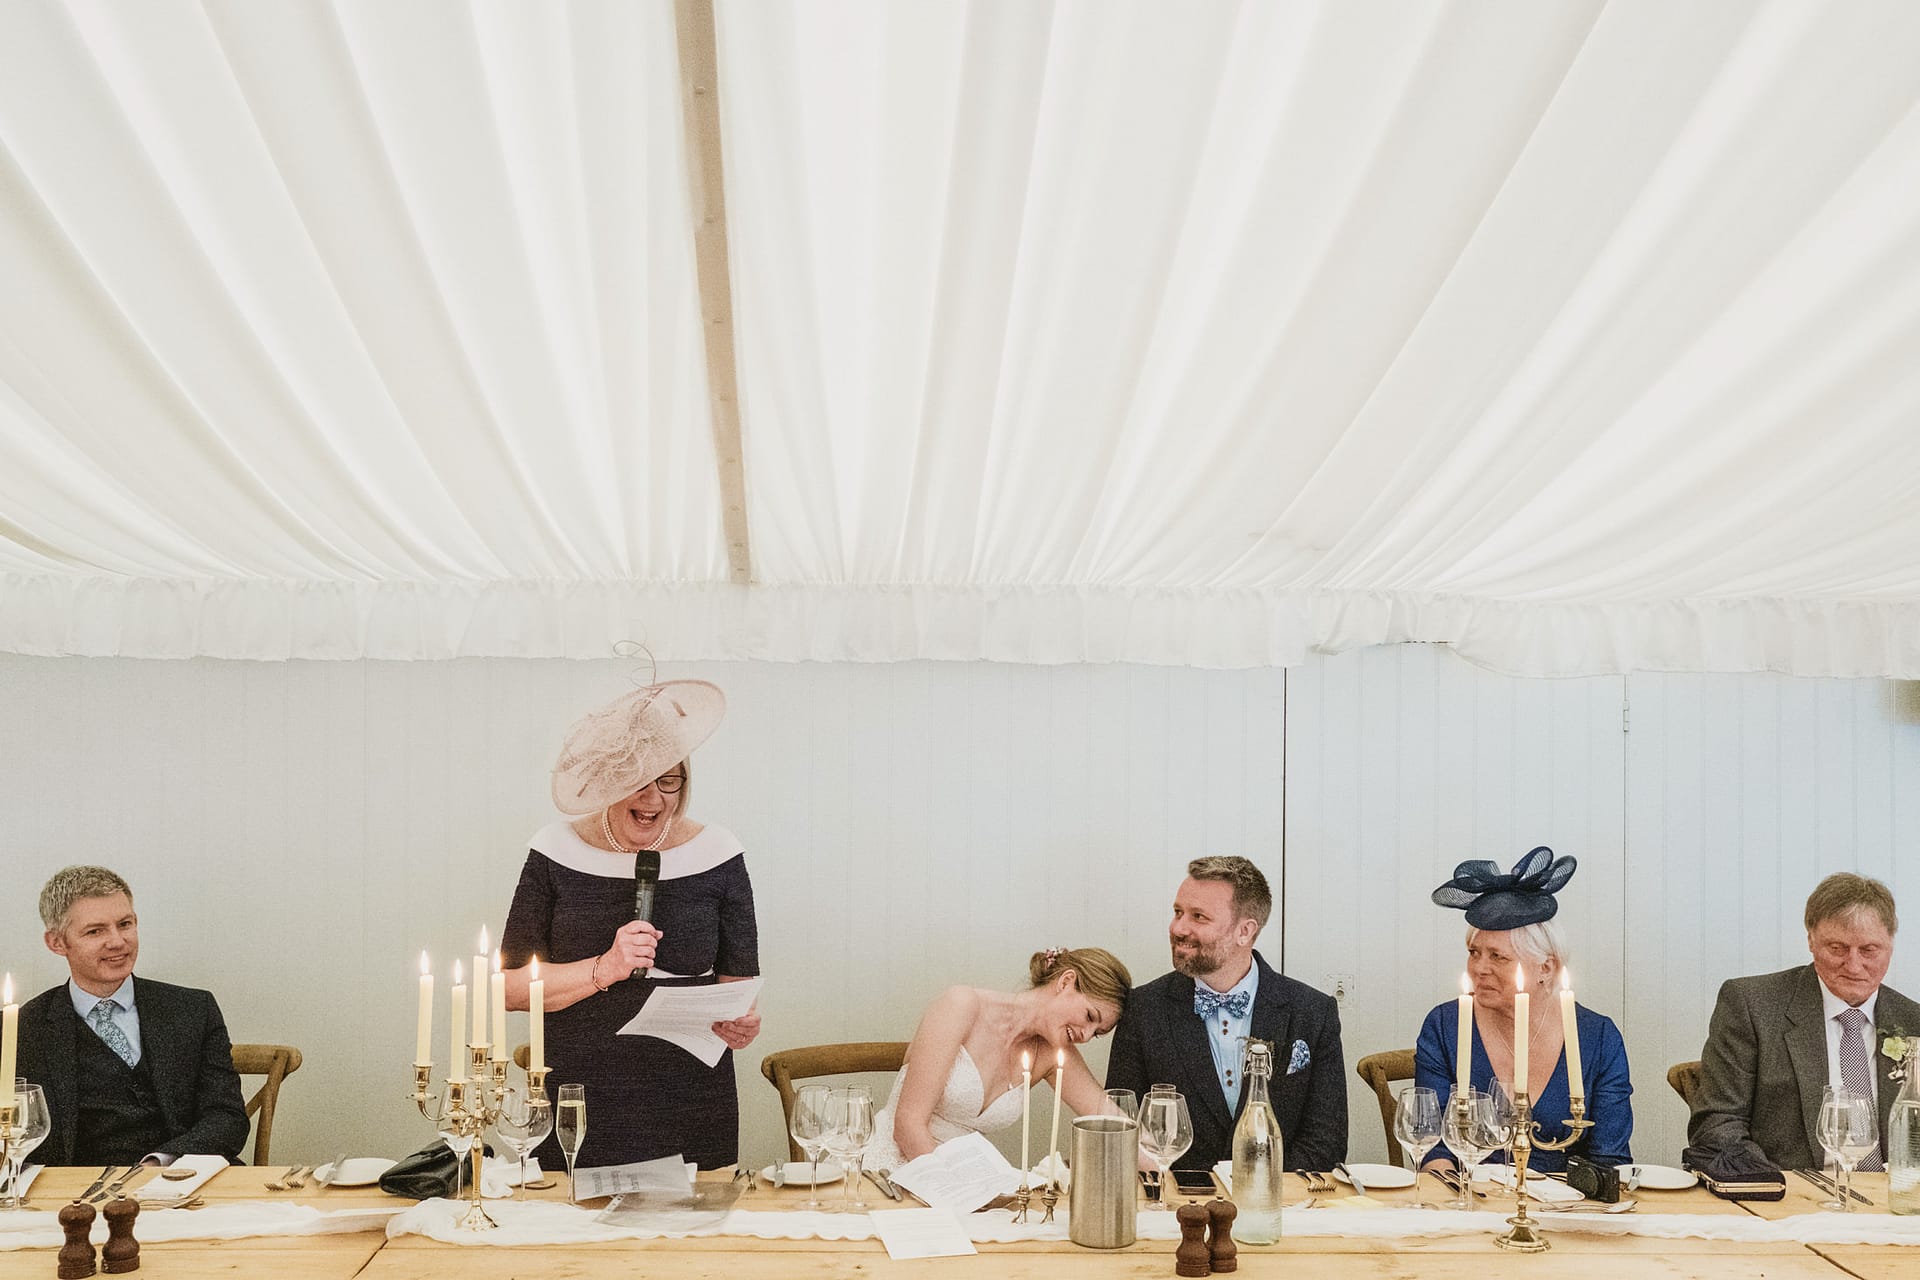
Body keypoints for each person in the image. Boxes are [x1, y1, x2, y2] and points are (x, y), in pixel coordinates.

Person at [500, 679, 761, 1170]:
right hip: (581, 1097)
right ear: (605, 781)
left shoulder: (720, 852)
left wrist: (742, 1022)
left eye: (669, 780)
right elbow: (510, 989)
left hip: (692, 1097)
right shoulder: (554, 851)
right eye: (638, 781)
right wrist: (606, 966)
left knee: (695, 1241)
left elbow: (738, 985)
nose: (654, 798)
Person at [1106, 856, 1347, 1171]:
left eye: (1199, 917)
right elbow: (1120, 1131)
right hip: (1176, 1207)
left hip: (1282, 1208)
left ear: (1245, 931)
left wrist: (1255, 1191)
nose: (1178, 928)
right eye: (1178, 912)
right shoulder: (1142, 1009)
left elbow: (1326, 1145)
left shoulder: (1313, 1013)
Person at [1416, 847, 1632, 1172]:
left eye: (1497, 957)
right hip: (1467, 1204)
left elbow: (1609, 1159)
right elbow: (1434, 1150)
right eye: (1474, 953)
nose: (1480, 968)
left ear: (1546, 967)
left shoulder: (1598, 1038)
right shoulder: (1445, 1026)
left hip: (1567, 1212)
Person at [17, 866, 249, 1166]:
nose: (117, 941)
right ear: (57, 943)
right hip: (78, 1195)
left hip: (185, 1180)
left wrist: (161, 1162)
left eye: (124, 924)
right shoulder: (25, 1028)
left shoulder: (193, 1009)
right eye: (95, 931)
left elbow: (227, 1117)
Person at [1689, 872, 1917, 1172]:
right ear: (1810, 938)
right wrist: (1782, 1189)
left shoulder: (1913, 1022)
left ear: (1890, 944)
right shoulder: (1751, 1005)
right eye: (1836, 948)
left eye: (1868, 950)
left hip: (1894, 1207)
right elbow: (1717, 1125)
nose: (1853, 965)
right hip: (1787, 1203)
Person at [864, 947, 1132, 1174]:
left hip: (964, 1181)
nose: (1085, 1036)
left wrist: (1163, 1164)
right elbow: (907, 1125)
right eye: (1089, 1016)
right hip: (892, 1171)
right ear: (1066, 982)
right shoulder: (962, 1005)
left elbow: (1111, 1118)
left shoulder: (1053, 1051)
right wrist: (957, 1191)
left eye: (1097, 1034)